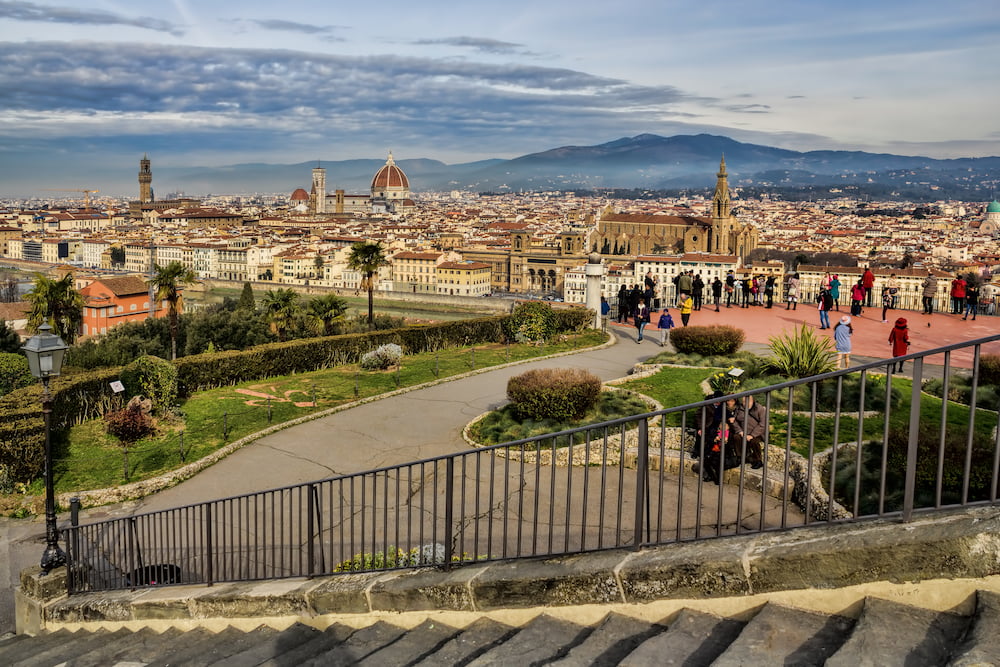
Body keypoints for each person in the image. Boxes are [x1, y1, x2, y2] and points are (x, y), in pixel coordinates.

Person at [728, 394, 767, 469]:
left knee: (754, 441)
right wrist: (740, 431)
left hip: (757, 433)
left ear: (752, 401)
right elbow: (734, 421)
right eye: (744, 401)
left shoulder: (759, 409)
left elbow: (763, 424)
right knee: (736, 437)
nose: (745, 403)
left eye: (748, 401)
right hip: (743, 431)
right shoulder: (739, 408)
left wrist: (752, 435)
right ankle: (740, 457)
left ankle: (758, 460)